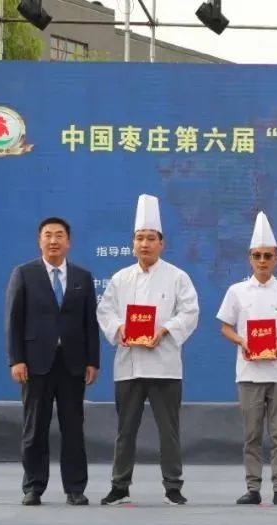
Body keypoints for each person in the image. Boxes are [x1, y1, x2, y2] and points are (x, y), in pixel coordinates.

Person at [96, 194, 200, 506]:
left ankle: (173, 487)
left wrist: (164, 330)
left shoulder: (177, 277)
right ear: (132, 243)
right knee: (125, 430)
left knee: (169, 431)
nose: (145, 244)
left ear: (162, 243)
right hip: (128, 365)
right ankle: (119, 486)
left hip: (164, 365)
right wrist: (120, 329)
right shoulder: (120, 278)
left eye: (151, 238)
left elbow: (190, 312)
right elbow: (105, 311)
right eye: (140, 238)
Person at [5, 217, 100, 506]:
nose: (54, 240)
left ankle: (75, 488)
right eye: (48, 235)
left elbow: (90, 323)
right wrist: (16, 359)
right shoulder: (24, 273)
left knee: (73, 428)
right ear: (40, 241)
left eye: (59, 235)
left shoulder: (82, 277)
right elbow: (13, 320)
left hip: (73, 363)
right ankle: (33, 486)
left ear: (68, 242)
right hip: (35, 363)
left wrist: (92, 361)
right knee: (35, 427)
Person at [217, 212, 277, 506]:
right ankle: (252, 487)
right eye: (257, 256)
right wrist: (241, 341)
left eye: (268, 256)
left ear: (276, 259)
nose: (263, 261)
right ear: (250, 259)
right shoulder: (237, 291)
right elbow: (225, 327)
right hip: (249, 373)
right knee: (252, 434)